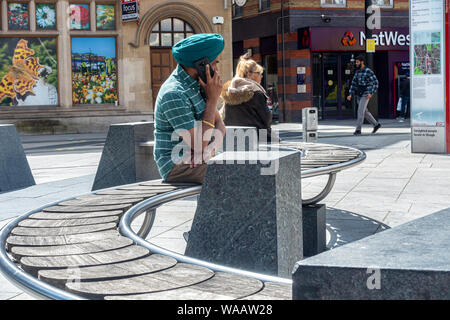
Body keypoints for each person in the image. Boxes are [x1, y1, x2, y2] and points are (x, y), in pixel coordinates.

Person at [153, 33, 226, 184]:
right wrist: (212, 99)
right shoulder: (174, 94)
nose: (217, 69)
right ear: (202, 65)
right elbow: (199, 144)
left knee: (253, 164)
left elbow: (221, 127)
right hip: (177, 164)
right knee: (245, 173)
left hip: (200, 159)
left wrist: (209, 151)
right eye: (215, 63)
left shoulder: (199, 84)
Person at [220, 54, 277, 142]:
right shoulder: (256, 92)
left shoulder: (230, 91)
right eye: (259, 73)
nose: (261, 76)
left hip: (232, 138)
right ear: (249, 74)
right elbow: (266, 118)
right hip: (257, 137)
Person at [347, 55, 381, 135]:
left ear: (362, 62)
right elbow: (353, 84)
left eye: (357, 62)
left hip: (366, 94)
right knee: (365, 112)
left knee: (360, 111)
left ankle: (358, 130)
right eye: (356, 62)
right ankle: (376, 125)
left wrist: (371, 93)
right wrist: (350, 94)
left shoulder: (368, 71)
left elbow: (376, 83)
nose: (356, 63)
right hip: (359, 94)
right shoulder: (357, 72)